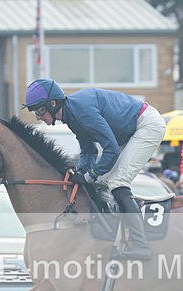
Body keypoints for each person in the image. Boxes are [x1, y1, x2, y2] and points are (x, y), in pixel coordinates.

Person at [23, 78, 166, 261]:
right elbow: (88, 149)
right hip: (131, 131)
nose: (38, 117)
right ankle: (120, 236)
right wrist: (80, 172)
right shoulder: (71, 115)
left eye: (39, 110)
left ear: (52, 103)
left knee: (117, 182)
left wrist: (91, 175)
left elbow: (111, 150)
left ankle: (141, 245)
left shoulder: (80, 110)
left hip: (147, 125)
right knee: (104, 184)